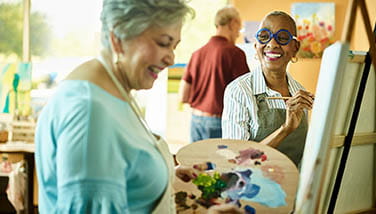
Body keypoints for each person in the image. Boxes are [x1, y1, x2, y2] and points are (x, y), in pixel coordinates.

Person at [34, 0, 244, 213]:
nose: (171, 58)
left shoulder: (112, 89)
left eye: (174, 46)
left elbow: (121, 171)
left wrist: (162, 174)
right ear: (118, 38)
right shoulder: (89, 113)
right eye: (163, 43)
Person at [222, 11, 315, 167]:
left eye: (283, 37)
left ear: (295, 47)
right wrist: (285, 129)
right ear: (256, 45)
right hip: (252, 187)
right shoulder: (239, 91)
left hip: (295, 187)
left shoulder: (300, 93)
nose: (272, 44)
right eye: (264, 36)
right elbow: (236, 161)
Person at [179, 5, 250, 143]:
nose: (238, 33)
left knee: (196, 164)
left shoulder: (197, 54)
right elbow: (246, 95)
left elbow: (183, 96)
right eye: (238, 28)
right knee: (220, 164)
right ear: (232, 23)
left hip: (196, 120)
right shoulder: (235, 54)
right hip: (219, 122)